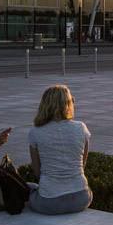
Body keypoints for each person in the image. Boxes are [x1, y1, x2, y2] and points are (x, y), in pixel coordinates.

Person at [27, 85, 92, 215]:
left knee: (30, 188)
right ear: (68, 104)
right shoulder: (81, 128)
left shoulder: (35, 132)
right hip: (82, 198)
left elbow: (37, 172)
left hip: (49, 201)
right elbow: (82, 165)